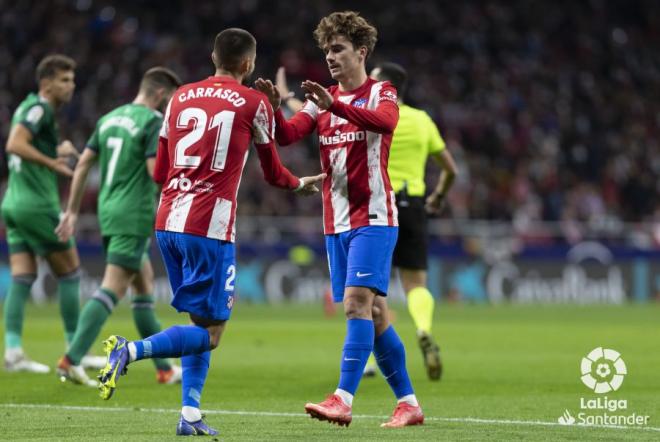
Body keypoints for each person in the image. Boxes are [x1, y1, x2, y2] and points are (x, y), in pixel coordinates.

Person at [97, 28, 324, 436]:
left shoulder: (179, 96)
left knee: (199, 328)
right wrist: (299, 184)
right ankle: (128, 350)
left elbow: (161, 172)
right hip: (209, 226)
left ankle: (190, 414)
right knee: (213, 334)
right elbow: (274, 173)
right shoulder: (254, 102)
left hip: (168, 221)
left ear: (212, 56)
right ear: (249, 64)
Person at [256, 11, 423, 428]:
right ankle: (409, 404)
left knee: (355, 305)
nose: (329, 56)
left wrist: (340, 107)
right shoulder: (319, 100)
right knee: (377, 314)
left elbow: (386, 123)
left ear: (360, 51)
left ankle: (343, 399)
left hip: (375, 216)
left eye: (338, 49)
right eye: (326, 49)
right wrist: (276, 111)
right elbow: (288, 134)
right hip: (336, 221)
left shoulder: (381, 92)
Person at [55, 67, 185, 387]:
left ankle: (165, 368)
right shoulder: (152, 121)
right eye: (168, 101)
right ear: (159, 95)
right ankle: (71, 360)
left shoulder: (108, 119)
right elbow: (157, 173)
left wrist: (71, 211)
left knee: (143, 289)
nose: (169, 109)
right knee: (112, 287)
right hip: (133, 213)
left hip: (108, 211)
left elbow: (84, 163)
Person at [361, 62, 458, 381]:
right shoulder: (421, 120)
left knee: (372, 288)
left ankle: (371, 360)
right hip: (414, 203)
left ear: (384, 85)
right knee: (415, 284)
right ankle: (424, 329)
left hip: (379, 205)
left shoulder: (373, 117)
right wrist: (438, 196)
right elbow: (450, 170)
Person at [2, 54, 82, 373]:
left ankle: (13, 352)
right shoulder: (40, 108)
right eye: (64, 80)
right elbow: (15, 143)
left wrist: (54, 150)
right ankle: (75, 350)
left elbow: (27, 141)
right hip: (37, 205)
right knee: (71, 273)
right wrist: (53, 163)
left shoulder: (27, 107)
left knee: (22, 277)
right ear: (46, 84)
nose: (71, 86)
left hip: (14, 204)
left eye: (72, 80)